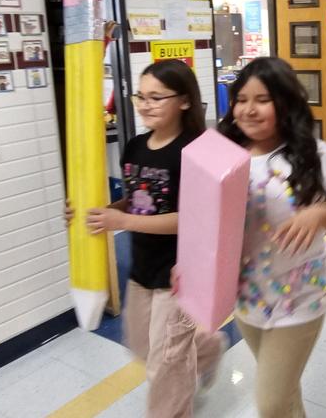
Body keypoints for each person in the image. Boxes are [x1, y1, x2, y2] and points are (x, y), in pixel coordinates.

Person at [65, 60, 226, 418]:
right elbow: (139, 201)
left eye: (156, 97)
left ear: (185, 100)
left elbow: (194, 220)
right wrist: (102, 213)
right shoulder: (135, 146)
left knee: (165, 367)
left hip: (181, 275)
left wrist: (123, 220)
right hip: (142, 270)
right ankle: (207, 347)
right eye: (141, 96)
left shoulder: (196, 151)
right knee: (140, 345)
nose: (145, 105)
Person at [217, 57, 326, 418]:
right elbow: (206, 223)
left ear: (284, 102)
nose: (248, 110)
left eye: (262, 100)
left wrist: (319, 213)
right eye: (241, 99)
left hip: (300, 298)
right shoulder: (225, 155)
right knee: (285, 393)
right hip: (248, 298)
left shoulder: (315, 155)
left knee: (271, 404)